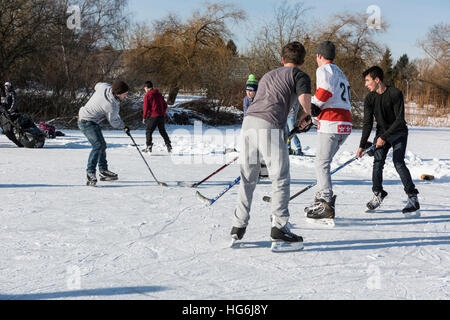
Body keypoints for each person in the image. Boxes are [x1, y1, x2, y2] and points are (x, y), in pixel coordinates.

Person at [231, 41, 312, 251]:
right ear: (302, 61)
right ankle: (279, 227)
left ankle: (238, 225)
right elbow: (304, 100)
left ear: (283, 59)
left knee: (248, 176)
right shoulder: (300, 75)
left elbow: (269, 101)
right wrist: (309, 115)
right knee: (281, 176)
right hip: (269, 125)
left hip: (248, 123)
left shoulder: (268, 75)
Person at [357, 66, 420, 216]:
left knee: (398, 162)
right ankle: (378, 193)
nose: (366, 84)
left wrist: (383, 138)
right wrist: (361, 146)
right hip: (381, 132)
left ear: (377, 79)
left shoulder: (395, 93)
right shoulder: (370, 98)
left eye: (368, 80)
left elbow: (399, 120)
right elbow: (367, 123)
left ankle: (413, 198)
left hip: (398, 132)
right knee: (377, 162)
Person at [304, 41, 353, 225]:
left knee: (321, 163)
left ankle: (325, 201)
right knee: (324, 163)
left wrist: (313, 106)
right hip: (345, 123)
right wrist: (316, 115)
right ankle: (320, 197)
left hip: (332, 123)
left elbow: (324, 91)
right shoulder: (340, 72)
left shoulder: (323, 70)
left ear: (319, 56)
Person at [78, 80, 129, 186]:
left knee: (102, 145)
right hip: (86, 122)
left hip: (90, 120)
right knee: (98, 146)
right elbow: (114, 123)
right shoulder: (111, 105)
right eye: (125, 94)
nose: (126, 96)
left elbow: (96, 85)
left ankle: (103, 171)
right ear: (118, 93)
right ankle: (90, 172)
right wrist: (124, 126)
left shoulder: (105, 86)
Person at [142, 80, 172, 153]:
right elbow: (165, 105)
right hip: (161, 116)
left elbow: (145, 107)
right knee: (162, 131)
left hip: (154, 116)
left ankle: (149, 146)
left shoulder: (148, 95)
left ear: (146, 87)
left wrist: (144, 117)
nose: (144, 90)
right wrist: (162, 112)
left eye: (144, 88)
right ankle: (168, 145)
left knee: (148, 131)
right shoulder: (159, 94)